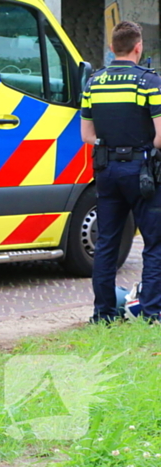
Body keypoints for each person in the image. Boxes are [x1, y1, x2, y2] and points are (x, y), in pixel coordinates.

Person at [80, 21, 161, 324]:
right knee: (154, 243)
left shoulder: (94, 82)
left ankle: (102, 314)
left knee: (107, 242)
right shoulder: (149, 82)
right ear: (138, 47)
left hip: (106, 169)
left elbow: (86, 135)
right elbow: (160, 136)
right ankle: (152, 313)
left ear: (112, 48)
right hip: (142, 172)